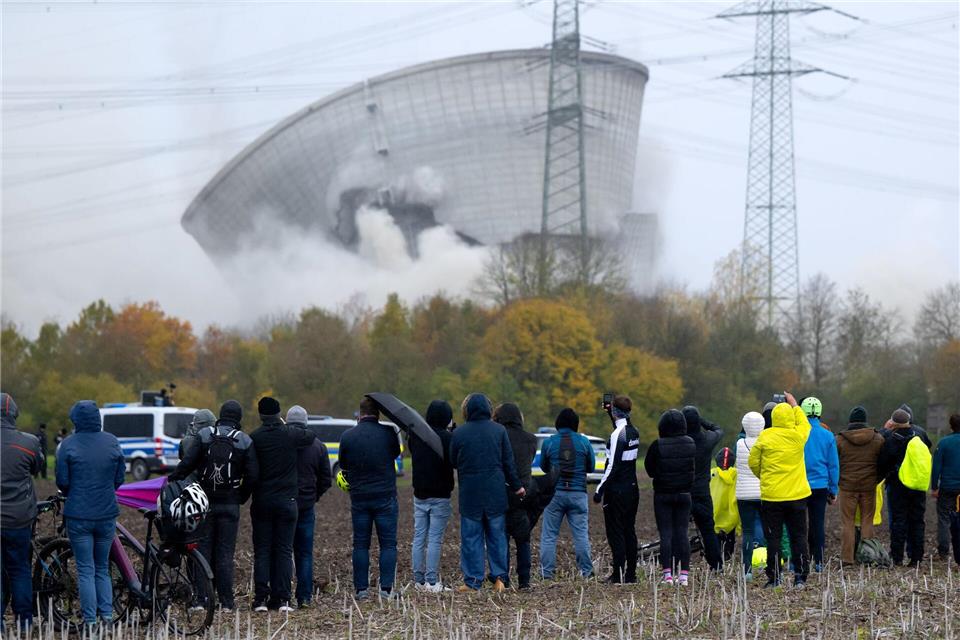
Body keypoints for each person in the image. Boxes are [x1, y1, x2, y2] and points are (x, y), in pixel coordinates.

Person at [169, 401, 259, 612]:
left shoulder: (205, 435)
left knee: (203, 552)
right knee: (225, 554)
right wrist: (240, 496)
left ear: (220, 415)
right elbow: (253, 475)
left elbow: (187, 464)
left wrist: (173, 479)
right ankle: (226, 602)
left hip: (205, 503)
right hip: (230, 504)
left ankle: (202, 600)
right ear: (238, 418)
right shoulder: (245, 440)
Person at [55, 400, 126, 631]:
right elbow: (119, 478)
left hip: (79, 515)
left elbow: (62, 481)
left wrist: (73, 493)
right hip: (106, 514)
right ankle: (107, 618)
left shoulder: (68, 445)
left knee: (85, 569)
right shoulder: (112, 441)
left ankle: (90, 623)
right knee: (102, 567)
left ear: (75, 420)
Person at [449, 393, 523, 592]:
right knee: (497, 537)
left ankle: (472, 580)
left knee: (471, 538)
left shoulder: (459, 433)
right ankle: (500, 578)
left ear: (467, 410)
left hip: (470, 493)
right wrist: (517, 486)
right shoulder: (499, 431)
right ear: (488, 409)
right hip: (495, 492)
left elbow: (453, 460)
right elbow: (508, 462)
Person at [248, 397, 316, 611]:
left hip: (262, 501)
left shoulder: (255, 437)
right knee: (284, 550)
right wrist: (286, 425)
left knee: (262, 550)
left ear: (260, 415)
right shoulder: (289, 434)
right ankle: (284, 598)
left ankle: (261, 598)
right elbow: (310, 435)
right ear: (279, 414)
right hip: (287, 502)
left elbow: (251, 471)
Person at [339, 397, 401, 599]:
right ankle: (386, 589)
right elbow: (394, 454)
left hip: (359, 497)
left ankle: (361, 589)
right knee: (388, 544)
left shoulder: (348, 436)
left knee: (360, 544)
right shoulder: (389, 433)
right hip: (385, 496)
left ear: (360, 413)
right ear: (378, 413)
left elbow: (343, 464)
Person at [748, 392, 811, 589]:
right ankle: (800, 577)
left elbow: (753, 462)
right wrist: (795, 405)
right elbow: (805, 424)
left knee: (773, 538)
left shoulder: (765, 436)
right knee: (799, 537)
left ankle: (775, 577)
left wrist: (764, 477)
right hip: (797, 496)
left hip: (772, 496)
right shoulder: (798, 436)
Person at [1, 393, 41, 632]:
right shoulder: (29, 443)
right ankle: (24, 622)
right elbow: (37, 468)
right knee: (20, 570)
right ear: (13, 414)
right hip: (19, 519)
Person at [539, 408, 595, 581]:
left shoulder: (549, 442)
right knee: (581, 535)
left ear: (557, 424)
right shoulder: (584, 442)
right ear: (576, 424)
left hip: (554, 494)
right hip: (578, 493)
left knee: (549, 536)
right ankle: (587, 572)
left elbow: (543, 467)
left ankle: (547, 574)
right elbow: (591, 467)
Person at [644, 409, 695, 586]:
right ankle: (684, 575)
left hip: (663, 495)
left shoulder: (657, 445)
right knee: (682, 533)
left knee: (666, 534)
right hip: (684, 494)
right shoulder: (690, 443)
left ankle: (668, 575)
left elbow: (650, 470)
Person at [408, 400, 454, 593]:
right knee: (435, 538)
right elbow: (453, 460)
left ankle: (418, 580)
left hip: (420, 493)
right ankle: (432, 582)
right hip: (440, 495)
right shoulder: (448, 438)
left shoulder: (416, 435)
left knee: (419, 536)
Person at [594, 395, 640, 584]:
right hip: (632, 488)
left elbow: (612, 465)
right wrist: (610, 413)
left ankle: (618, 574)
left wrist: (599, 490)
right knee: (629, 530)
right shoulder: (633, 431)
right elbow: (622, 428)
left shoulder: (616, 435)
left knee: (616, 533)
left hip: (616, 491)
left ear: (615, 412)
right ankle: (631, 574)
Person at [288, 405, 331, 608]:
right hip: (306, 505)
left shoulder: (281, 444)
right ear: (306, 422)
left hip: (285, 504)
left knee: (284, 551)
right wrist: (314, 496)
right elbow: (326, 479)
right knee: (304, 553)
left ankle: (283, 595)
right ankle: (304, 597)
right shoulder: (318, 446)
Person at [878, 408, 933, 566]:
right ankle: (916, 558)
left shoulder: (891, 438)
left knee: (899, 520)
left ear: (893, 423)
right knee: (918, 521)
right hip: (918, 484)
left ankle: (897, 557)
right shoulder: (919, 435)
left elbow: (882, 462)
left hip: (898, 485)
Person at [492, 402, 537, 590]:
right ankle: (524, 580)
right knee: (523, 539)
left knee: (501, 538)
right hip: (523, 493)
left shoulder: (498, 436)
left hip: (501, 491)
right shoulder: (531, 439)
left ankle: (503, 578)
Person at [835, 405, 884, 565]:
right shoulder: (878, 439)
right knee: (867, 521)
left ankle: (847, 558)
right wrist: (876, 478)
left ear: (850, 421)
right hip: (869, 486)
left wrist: (839, 480)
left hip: (847, 486)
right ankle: (867, 557)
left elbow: (835, 463)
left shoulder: (840, 439)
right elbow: (883, 461)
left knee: (847, 522)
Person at [682, 405, 724, 571]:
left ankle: (679, 566)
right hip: (702, 492)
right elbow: (718, 429)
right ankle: (717, 565)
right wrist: (702, 421)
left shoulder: (680, 442)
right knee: (708, 530)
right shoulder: (707, 440)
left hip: (683, 491)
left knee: (679, 531)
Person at [800, 397, 839, 572]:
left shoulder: (798, 433)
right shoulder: (828, 435)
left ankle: (800, 560)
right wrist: (833, 489)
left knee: (799, 525)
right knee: (818, 524)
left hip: (799, 485)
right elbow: (833, 465)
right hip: (820, 486)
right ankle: (819, 562)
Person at [735, 411, 766, 579]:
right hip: (763, 492)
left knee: (747, 532)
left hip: (744, 494)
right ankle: (770, 566)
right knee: (769, 530)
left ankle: (747, 570)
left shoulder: (739, 444)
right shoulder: (766, 442)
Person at [932, 414, 960, 562]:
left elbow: (936, 466)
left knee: (944, 519)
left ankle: (943, 551)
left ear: (951, 426)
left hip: (948, 488)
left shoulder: (943, 443)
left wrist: (934, 487)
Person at [710, 447, 739, 562]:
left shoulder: (712, 474)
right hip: (731, 515)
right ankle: (727, 555)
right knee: (730, 537)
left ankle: (716, 557)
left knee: (714, 537)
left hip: (714, 513)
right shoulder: (736, 474)